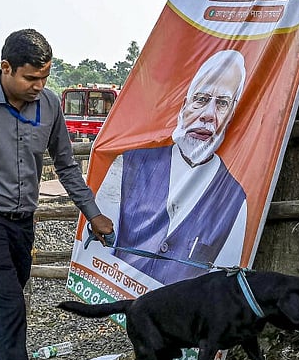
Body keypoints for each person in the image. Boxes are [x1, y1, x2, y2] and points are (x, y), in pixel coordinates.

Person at [0, 29, 114, 360]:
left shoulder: (50, 105)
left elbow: (67, 166)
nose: (38, 86)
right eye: (31, 78)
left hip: (22, 223)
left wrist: (93, 212)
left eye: (44, 77)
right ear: (6, 68)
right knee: (11, 306)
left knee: (0, 308)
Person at [93, 50, 248, 284]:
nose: (207, 115)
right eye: (201, 99)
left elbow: (222, 279)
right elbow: (97, 253)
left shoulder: (236, 199)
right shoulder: (128, 164)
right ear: (184, 107)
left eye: (222, 104)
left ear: (232, 114)